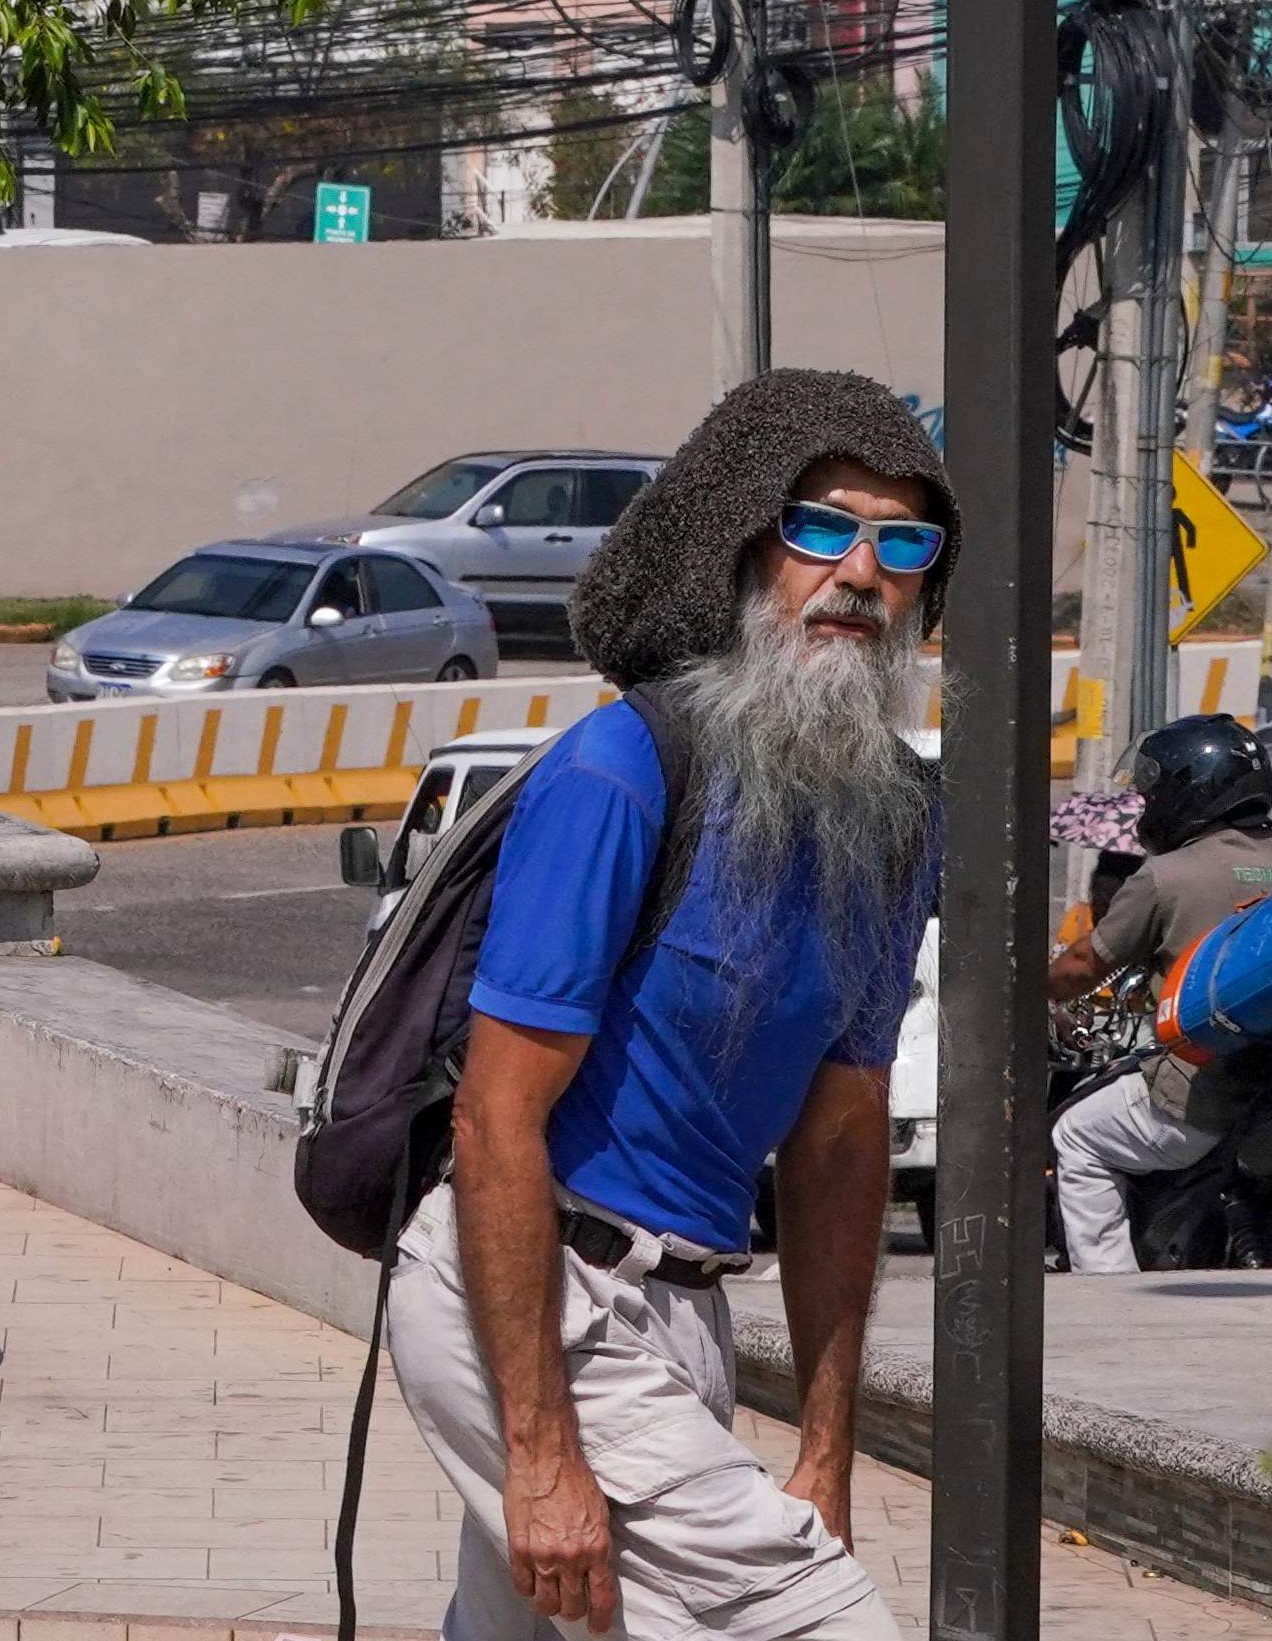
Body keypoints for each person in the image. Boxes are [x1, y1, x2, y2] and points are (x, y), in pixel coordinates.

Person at [386, 366, 949, 1641]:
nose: (859, 572)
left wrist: (824, 1446)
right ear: (742, 543)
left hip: (686, 1321)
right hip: (538, 1309)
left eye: (902, 542)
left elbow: (841, 1138)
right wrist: (538, 1450)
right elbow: (493, 1124)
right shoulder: (623, 770)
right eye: (822, 527)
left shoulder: (897, 819)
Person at [1044, 712, 1272, 1272]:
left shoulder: (1166, 876)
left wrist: (1028, 991)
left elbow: (1083, 964)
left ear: (1188, 791)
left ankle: (1111, 1297)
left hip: (1205, 1086)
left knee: (1076, 1136)